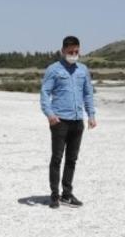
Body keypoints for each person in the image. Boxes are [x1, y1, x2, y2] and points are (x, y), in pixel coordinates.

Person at [40, 35, 98, 209]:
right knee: (57, 158)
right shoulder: (54, 69)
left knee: (72, 160)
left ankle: (67, 194)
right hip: (59, 121)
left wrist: (91, 115)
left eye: (76, 51)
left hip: (77, 120)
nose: (74, 54)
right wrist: (50, 115)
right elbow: (44, 93)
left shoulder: (83, 70)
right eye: (71, 51)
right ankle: (54, 195)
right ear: (63, 50)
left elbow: (88, 94)